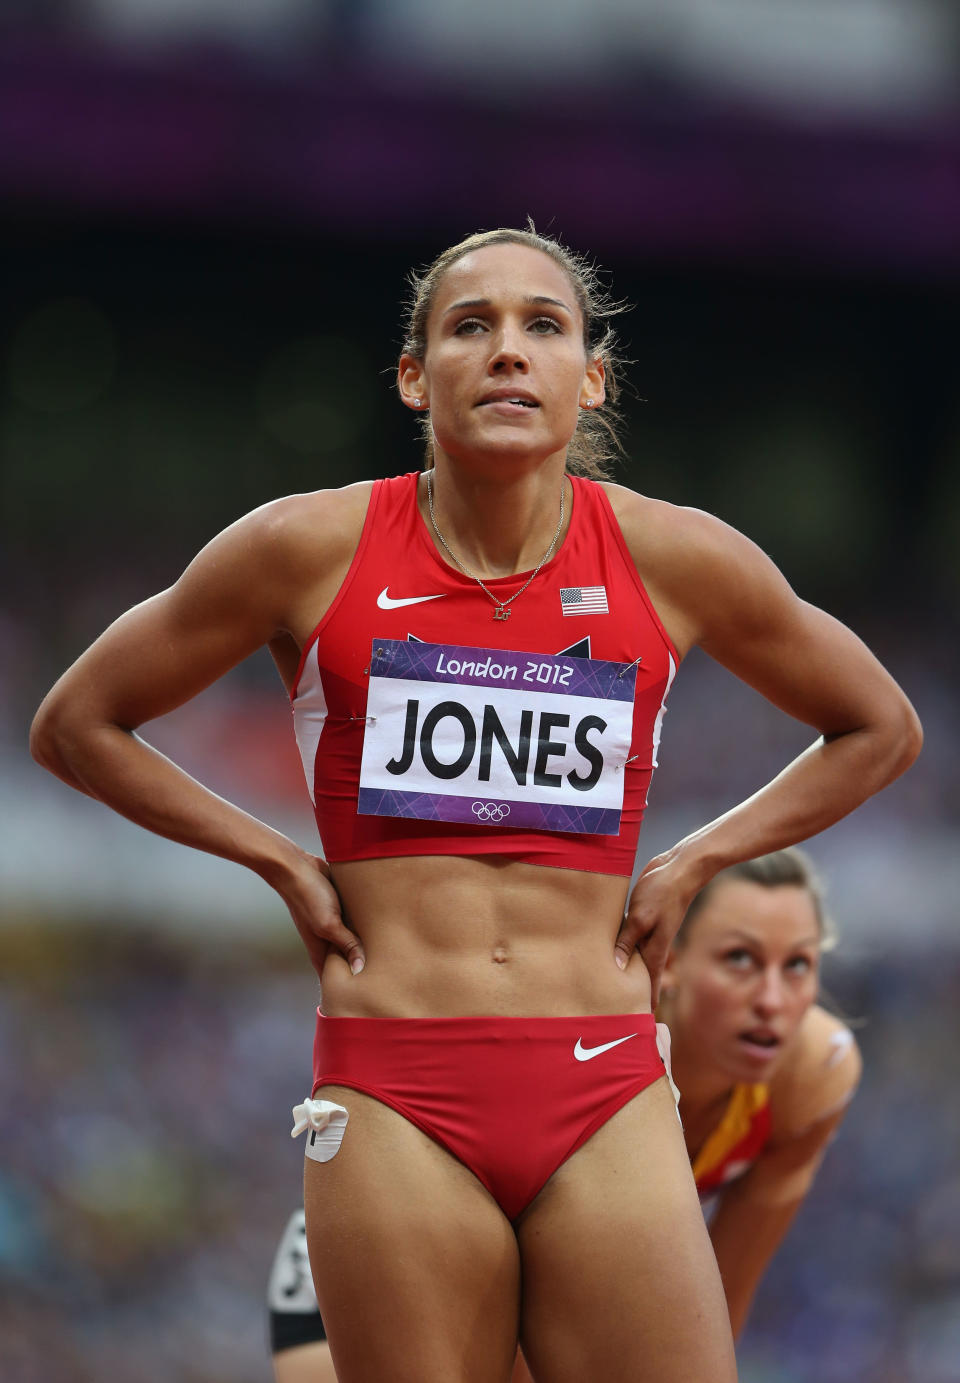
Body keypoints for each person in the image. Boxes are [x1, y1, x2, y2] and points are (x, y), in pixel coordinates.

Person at [30, 227, 921, 1383]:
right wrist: (276, 860)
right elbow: (76, 723)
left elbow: (880, 728)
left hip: (602, 1078)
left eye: (543, 326)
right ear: (416, 375)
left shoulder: (675, 559)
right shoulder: (308, 546)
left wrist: (699, 858)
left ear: (590, 377)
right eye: (471, 326)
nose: (509, 351)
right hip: (397, 1087)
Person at [266, 847, 860, 1381]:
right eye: (739, 959)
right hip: (369, 1257)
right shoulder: (598, 1041)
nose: (772, 1001)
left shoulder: (812, 1075)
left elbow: (721, 1303)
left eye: (799, 965)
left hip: (542, 1250)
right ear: (668, 955)